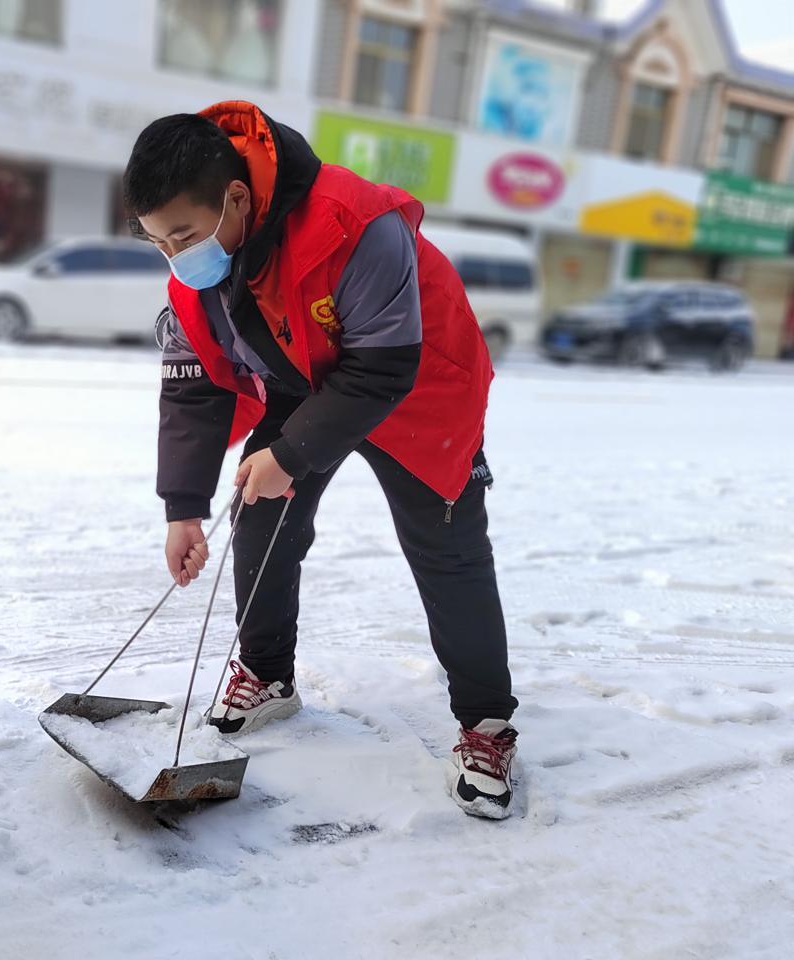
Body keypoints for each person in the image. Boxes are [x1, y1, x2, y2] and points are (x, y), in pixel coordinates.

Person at [122, 101, 519, 819]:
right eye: (158, 242)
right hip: (298, 379)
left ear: (235, 198)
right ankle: (269, 676)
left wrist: (294, 452)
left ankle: (487, 725)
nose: (174, 255)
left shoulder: (357, 224)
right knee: (259, 516)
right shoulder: (190, 278)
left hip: (414, 385)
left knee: (448, 548)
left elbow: (383, 368)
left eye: (182, 234)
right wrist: (183, 508)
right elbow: (196, 391)